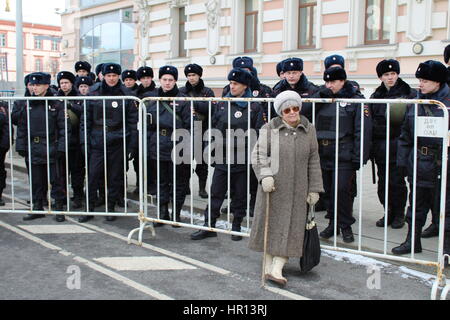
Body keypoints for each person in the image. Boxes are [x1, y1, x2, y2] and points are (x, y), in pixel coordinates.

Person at [248, 90, 323, 286]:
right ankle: (267, 263)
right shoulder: (269, 128)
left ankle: (277, 267)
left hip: (299, 188)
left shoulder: (309, 129)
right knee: (272, 225)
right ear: (281, 113)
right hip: (274, 186)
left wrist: (314, 188)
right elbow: (258, 155)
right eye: (287, 110)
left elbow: (314, 160)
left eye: (295, 108)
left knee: (292, 228)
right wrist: (265, 175)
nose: (292, 112)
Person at [190, 68, 264, 241]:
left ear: (245, 86)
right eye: (231, 83)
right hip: (223, 156)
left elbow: (259, 132)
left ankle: (236, 225)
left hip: (242, 158)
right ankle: (209, 226)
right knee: (216, 192)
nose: (232, 86)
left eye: (236, 84)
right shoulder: (223, 103)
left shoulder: (254, 106)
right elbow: (214, 126)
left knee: (240, 194)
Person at [307, 67, 372, 243]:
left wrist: (360, 156)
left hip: (344, 153)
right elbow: (304, 112)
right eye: (327, 82)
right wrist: (320, 96)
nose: (330, 85)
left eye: (333, 82)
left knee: (342, 190)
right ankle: (333, 224)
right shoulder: (321, 96)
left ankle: (345, 226)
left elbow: (362, 129)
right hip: (324, 152)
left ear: (342, 81)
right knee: (327, 191)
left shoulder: (355, 100)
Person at [393, 60, 450, 259]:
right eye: (420, 80)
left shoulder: (447, 102)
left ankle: (446, 250)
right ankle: (412, 241)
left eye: (425, 80)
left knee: (445, 207)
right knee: (416, 204)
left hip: (443, 162)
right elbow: (405, 136)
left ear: (438, 82)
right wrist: (401, 163)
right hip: (419, 160)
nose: (421, 84)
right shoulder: (416, 101)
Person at [80, 63, 138, 222]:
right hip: (97, 140)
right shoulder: (93, 92)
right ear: (103, 76)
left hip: (118, 140)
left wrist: (132, 144)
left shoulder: (126, 93)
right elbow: (85, 120)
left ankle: (110, 207)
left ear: (118, 76)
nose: (111, 79)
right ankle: (89, 208)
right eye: (108, 76)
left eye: (114, 76)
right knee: (93, 176)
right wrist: (84, 142)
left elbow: (133, 122)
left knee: (115, 177)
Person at [369, 59, 417, 229]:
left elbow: (410, 122)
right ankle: (387, 211)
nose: (390, 78)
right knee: (383, 183)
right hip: (382, 148)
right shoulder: (376, 96)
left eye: (393, 74)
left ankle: (399, 214)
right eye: (386, 75)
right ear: (381, 77)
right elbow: (371, 121)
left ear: (397, 74)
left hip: (399, 147)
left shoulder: (409, 94)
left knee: (397, 182)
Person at [16, 72, 70, 222]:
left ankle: (59, 208)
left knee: (56, 180)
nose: (34, 88)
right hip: (34, 146)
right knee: (36, 180)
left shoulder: (56, 104)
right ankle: (37, 207)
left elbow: (64, 127)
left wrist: (61, 147)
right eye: (33, 85)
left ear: (46, 85)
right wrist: (21, 146)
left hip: (51, 146)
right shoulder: (28, 104)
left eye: (38, 85)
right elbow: (22, 127)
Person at [144, 65, 191, 227]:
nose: (167, 83)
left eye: (171, 80)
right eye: (164, 79)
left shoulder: (183, 100)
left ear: (175, 81)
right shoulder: (151, 100)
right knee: (161, 182)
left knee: (178, 182)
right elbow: (147, 125)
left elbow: (189, 125)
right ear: (160, 80)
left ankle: (176, 214)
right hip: (158, 144)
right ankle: (162, 212)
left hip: (178, 145)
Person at [179, 63, 215, 199]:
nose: (191, 78)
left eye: (193, 75)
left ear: (199, 75)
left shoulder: (207, 91)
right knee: (185, 162)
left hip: (202, 130)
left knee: (202, 163)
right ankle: (186, 187)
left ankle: (202, 188)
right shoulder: (182, 91)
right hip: (186, 130)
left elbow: (212, 109)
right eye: (189, 75)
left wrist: (195, 104)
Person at [56, 71, 85, 211]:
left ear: (72, 83)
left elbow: (83, 112)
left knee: (77, 172)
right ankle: (62, 197)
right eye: (61, 83)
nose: (64, 85)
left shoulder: (78, 97)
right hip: (62, 141)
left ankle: (78, 196)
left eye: (66, 82)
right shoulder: (55, 98)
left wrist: (70, 106)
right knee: (61, 172)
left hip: (76, 140)